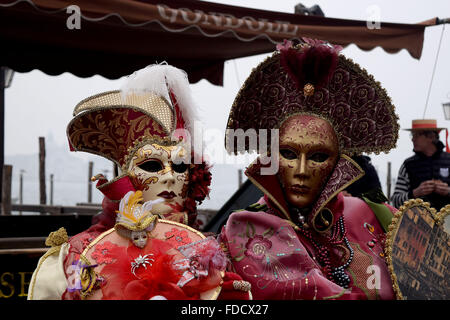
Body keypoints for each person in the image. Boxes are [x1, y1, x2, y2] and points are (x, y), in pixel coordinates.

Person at [28, 64, 250, 300]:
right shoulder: (77, 255)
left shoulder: (206, 253)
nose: (169, 176)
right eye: (152, 165)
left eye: (180, 166)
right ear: (125, 174)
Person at [219, 39, 399, 299]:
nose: (301, 170)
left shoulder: (373, 215)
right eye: (289, 154)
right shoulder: (247, 227)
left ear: (338, 162)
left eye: (317, 156)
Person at [391, 119, 450, 211]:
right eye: (412, 135)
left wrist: (448, 191)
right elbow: (395, 201)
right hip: (417, 223)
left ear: (431, 137)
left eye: (417, 135)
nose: (412, 139)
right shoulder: (408, 165)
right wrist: (415, 193)